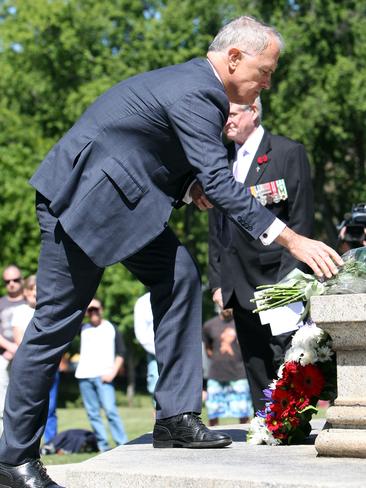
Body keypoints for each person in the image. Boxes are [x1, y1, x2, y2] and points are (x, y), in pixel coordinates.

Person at [0, 16, 342, 488]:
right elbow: (222, 182)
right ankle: (13, 460)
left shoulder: (199, 88)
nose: (268, 82)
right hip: (81, 205)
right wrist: (292, 238)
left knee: (180, 276)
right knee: (54, 325)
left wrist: (188, 187)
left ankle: (175, 416)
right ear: (234, 58)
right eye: (265, 70)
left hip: (126, 207)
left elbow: (156, 152)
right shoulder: (198, 90)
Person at [208, 98, 314, 411]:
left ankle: (292, 425)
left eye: (231, 114)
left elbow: (301, 219)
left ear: (253, 111)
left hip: (276, 278)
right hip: (237, 283)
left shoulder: (286, 153)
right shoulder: (220, 159)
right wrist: (217, 280)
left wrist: (289, 281)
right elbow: (217, 227)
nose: (225, 121)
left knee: (285, 357)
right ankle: (266, 426)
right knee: (254, 362)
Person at [11, 275, 60, 448]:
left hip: (50, 366)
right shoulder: (21, 312)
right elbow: (18, 341)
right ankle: (27, 444)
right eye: (34, 289)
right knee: (30, 407)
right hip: (30, 367)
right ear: (27, 292)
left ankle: (51, 443)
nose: (37, 293)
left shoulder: (51, 312)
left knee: (51, 407)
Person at [75, 298, 128, 452]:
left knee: (110, 410)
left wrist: (113, 372)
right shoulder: (82, 328)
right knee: (93, 414)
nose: (93, 312)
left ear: (102, 309)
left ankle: (122, 443)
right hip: (84, 376)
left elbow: (121, 352)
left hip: (104, 376)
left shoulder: (111, 328)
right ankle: (103, 447)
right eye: (89, 309)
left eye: (96, 309)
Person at [203, 308, 253, 425]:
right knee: (213, 412)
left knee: (243, 412)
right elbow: (208, 349)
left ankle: (245, 437)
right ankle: (212, 437)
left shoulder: (241, 323)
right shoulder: (209, 325)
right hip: (216, 374)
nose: (227, 308)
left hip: (239, 374)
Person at [0, 265, 25, 436]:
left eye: (15, 280)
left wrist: (20, 349)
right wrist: (9, 347)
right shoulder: (1, 303)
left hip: (27, 356)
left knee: (24, 400)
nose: (12, 284)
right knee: (1, 401)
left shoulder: (30, 301)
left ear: (22, 280)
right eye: (7, 281)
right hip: (4, 356)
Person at [133, 292, 159, 401]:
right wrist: (160, 351)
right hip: (155, 353)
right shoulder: (143, 302)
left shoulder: (178, 294)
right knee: (157, 391)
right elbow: (141, 335)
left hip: (180, 352)